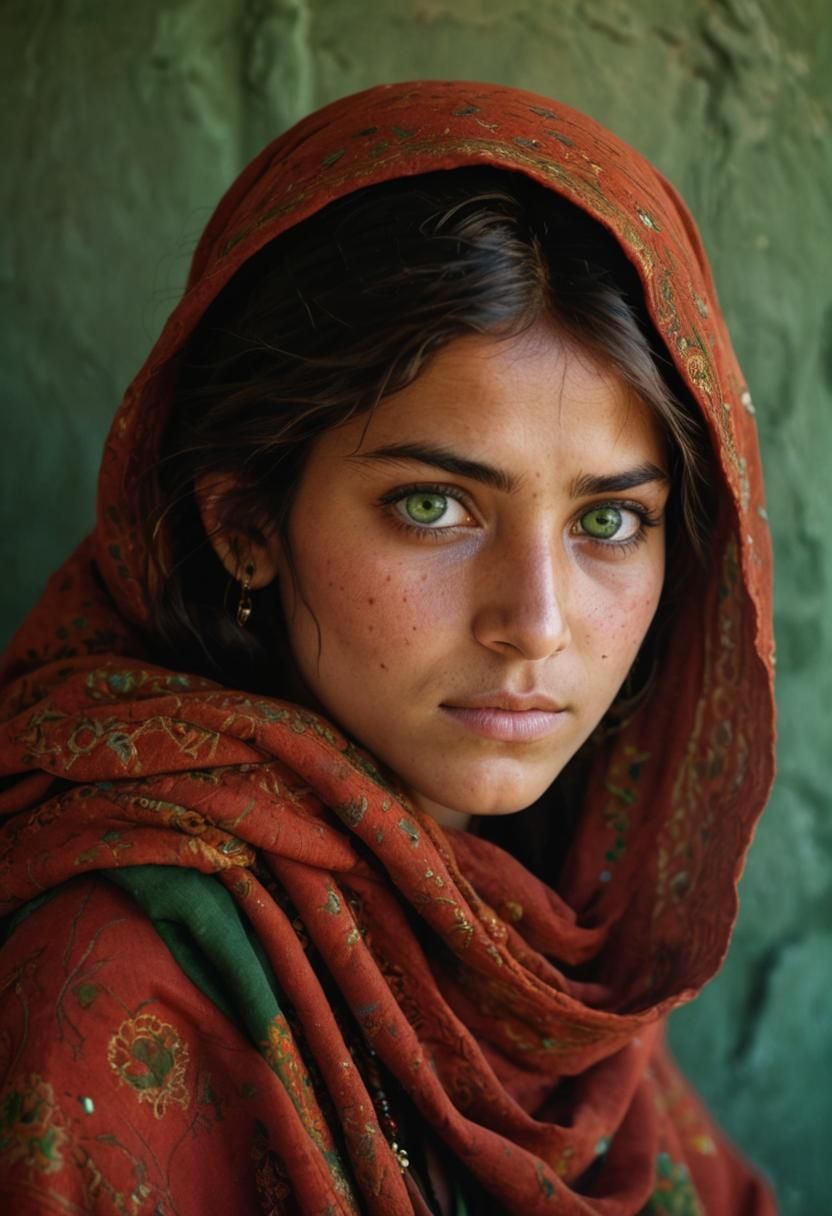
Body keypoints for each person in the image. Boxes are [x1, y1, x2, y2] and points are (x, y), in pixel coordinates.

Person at [0, 80, 776, 1215]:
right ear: (245, 526)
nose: (536, 622)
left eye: (609, 520)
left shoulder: (540, 941)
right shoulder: (120, 979)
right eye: (432, 506)